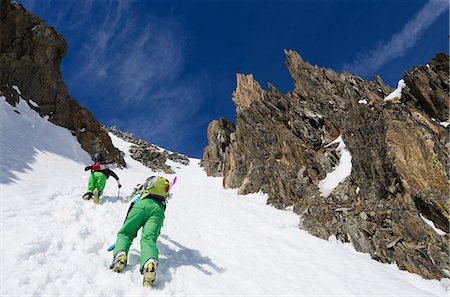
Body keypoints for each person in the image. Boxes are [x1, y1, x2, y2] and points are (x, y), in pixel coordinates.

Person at [109, 176, 171, 287]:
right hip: (158, 210)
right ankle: (150, 264)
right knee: (149, 240)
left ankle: (120, 254)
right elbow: (163, 208)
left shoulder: (143, 190)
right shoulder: (163, 195)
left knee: (126, 234)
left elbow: (132, 206)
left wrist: (125, 226)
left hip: (141, 205)